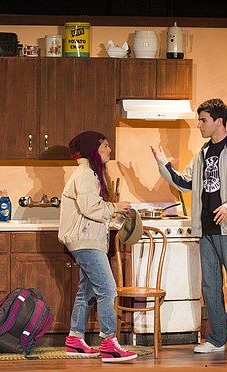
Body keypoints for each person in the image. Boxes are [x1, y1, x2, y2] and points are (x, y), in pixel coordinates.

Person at [150, 98, 227, 357]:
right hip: (206, 229)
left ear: (218, 121)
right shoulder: (202, 153)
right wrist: (163, 164)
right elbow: (185, 183)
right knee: (210, 286)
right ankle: (217, 338)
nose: (199, 125)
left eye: (203, 120)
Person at [58, 131, 138, 362]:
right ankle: (109, 343)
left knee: (87, 291)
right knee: (108, 289)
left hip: (86, 240)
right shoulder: (84, 174)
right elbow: (90, 207)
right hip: (85, 241)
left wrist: (113, 210)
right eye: (105, 146)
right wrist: (115, 207)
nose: (109, 150)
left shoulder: (88, 173)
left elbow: (92, 208)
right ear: (94, 149)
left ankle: (75, 340)